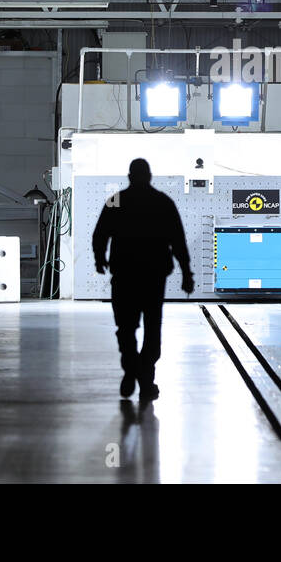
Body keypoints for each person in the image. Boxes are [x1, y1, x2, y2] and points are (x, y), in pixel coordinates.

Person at [91, 158, 193, 401]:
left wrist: (99, 259)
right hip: (153, 278)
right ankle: (146, 379)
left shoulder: (116, 200)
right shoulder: (162, 202)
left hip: (124, 276)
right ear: (149, 176)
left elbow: (100, 233)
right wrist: (186, 273)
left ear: (129, 176)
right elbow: (178, 240)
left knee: (125, 328)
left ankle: (131, 370)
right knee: (152, 329)